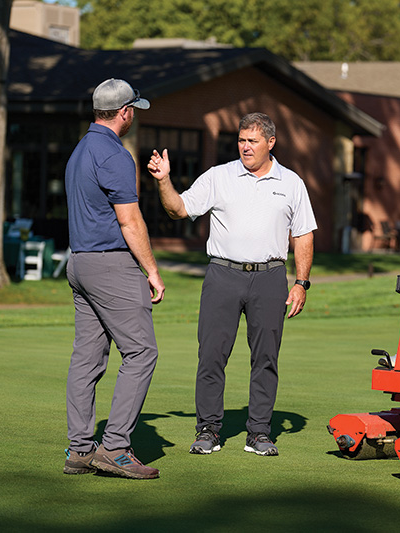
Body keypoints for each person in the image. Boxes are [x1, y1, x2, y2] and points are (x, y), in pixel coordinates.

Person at [147, 112, 316, 456]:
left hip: (270, 277)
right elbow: (179, 209)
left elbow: (303, 234)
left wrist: (301, 283)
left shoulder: (292, 183)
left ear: (271, 143)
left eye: (253, 141)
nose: (245, 147)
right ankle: (208, 429)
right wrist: (164, 181)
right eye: (241, 140)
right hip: (222, 276)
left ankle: (259, 432)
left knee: (266, 358)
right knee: (211, 356)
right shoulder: (218, 176)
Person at [63, 78, 165, 479]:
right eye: (133, 110)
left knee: (87, 358)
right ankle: (116, 448)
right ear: (124, 112)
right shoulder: (115, 155)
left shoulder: (80, 150)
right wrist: (152, 271)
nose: (133, 115)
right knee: (141, 353)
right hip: (110, 266)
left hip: (80, 264)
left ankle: (81, 449)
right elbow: (129, 219)